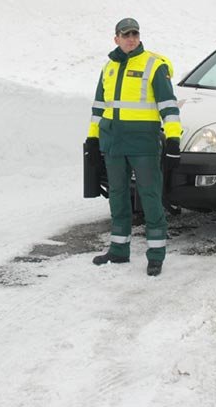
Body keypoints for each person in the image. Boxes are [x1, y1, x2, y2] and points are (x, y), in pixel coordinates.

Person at [85, 18, 182, 276]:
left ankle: (156, 255)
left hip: (143, 145)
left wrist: (173, 139)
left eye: (135, 34)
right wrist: (92, 140)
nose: (131, 39)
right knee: (118, 196)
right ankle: (118, 250)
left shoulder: (154, 65)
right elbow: (98, 108)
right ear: (116, 38)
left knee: (150, 197)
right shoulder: (109, 67)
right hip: (113, 144)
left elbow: (169, 107)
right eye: (125, 35)